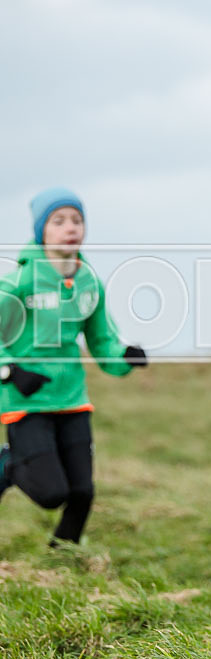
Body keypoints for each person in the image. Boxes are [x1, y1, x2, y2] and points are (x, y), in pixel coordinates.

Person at [0, 187, 147, 547]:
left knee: (82, 492)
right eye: (59, 220)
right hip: (27, 400)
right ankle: (8, 466)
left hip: (72, 398)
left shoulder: (88, 281)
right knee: (52, 493)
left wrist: (124, 355)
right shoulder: (18, 281)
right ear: (41, 231)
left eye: (77, 220)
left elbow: (101, 340)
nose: (71, 227)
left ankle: (62, 559)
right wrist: (10, 371)